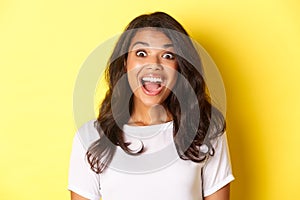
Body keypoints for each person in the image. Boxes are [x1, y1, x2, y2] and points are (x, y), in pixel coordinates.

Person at [68, 11, 234, 200]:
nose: (153, 65)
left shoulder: (206, 129)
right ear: (125, 63)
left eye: (168, 55)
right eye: (141, 53)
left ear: (180, 66)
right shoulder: (91, 138)